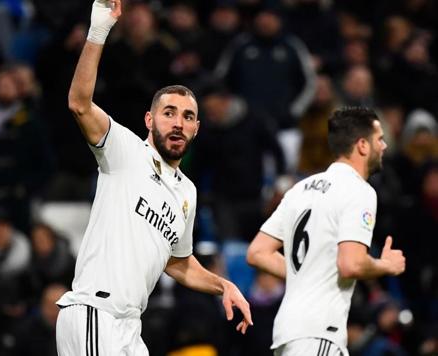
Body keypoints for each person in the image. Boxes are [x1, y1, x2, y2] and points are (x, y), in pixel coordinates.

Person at [55, 1, 252, 355]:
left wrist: (223, 286)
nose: (178, 122)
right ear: (149, 120)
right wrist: (99, 29)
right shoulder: (125, 151)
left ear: (196, 129)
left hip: (130, 325)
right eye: (169, 113)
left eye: (188, 116)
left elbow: (178, 263)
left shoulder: (187, 193)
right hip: (95, 313)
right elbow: (79, 103)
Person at [246, 107, 406, 356]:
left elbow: (257, 252)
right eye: (380, 139)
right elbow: (350, 265)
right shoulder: (359, 190)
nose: (384, 146)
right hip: (319, 331)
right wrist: (385, 265)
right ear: (363, 145)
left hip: (289, 331)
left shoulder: (300, 188)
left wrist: (309, 275)